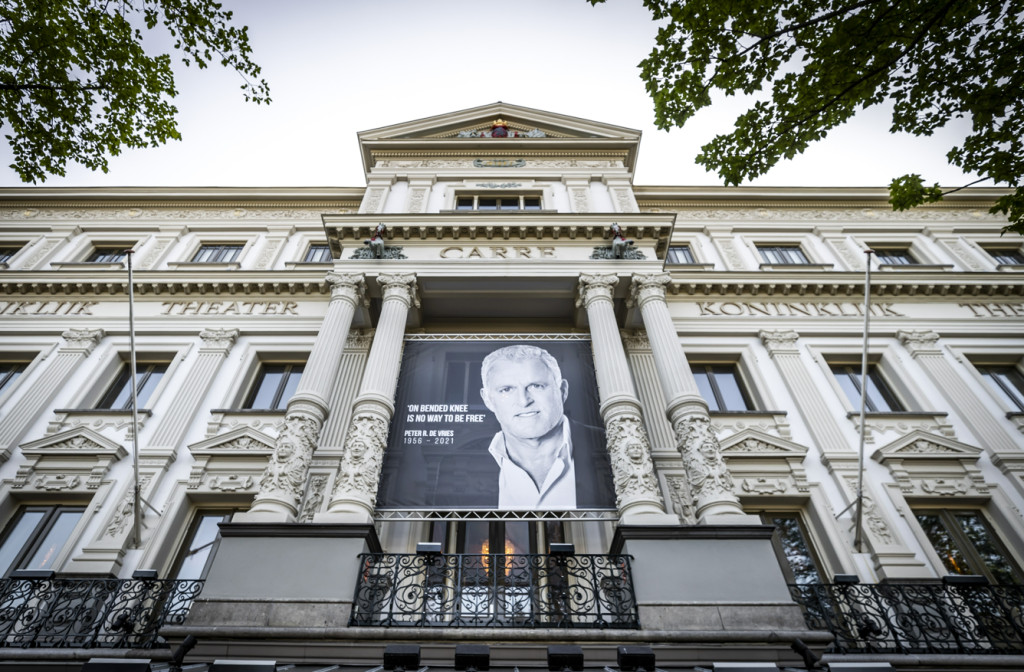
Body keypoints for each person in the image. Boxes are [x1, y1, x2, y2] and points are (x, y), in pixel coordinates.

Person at [476, 345, 607, 509]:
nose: (524, 401)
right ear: (487, 400)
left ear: (562, 391)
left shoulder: (611, 445)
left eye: (536, 386)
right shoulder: (459, 468)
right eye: (506, 390)